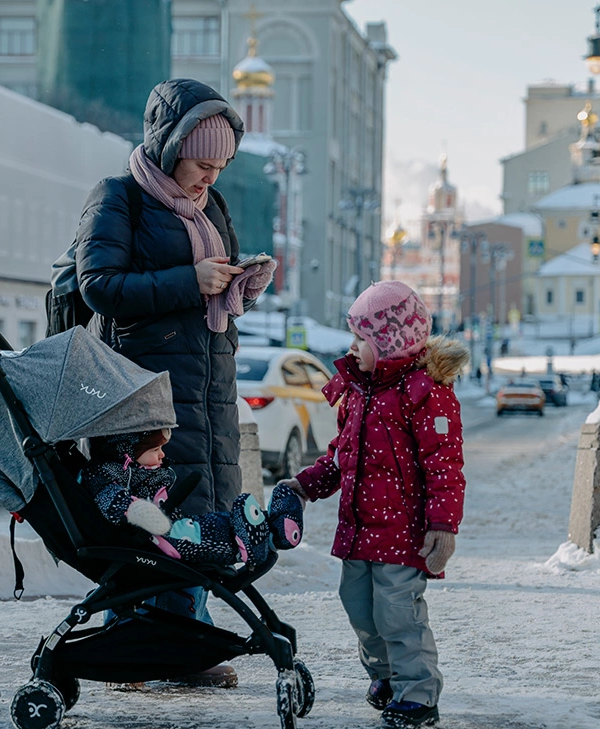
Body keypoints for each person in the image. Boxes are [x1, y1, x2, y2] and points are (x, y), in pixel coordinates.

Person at [75, 78, 267, 689]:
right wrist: (191, 280)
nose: (210, 178)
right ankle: (128, 647)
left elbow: (211, 288)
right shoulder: (118, 198)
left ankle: (186, 647)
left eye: (221, 168)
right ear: (168, 146)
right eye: (202, 163)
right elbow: (98, 286)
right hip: (142, 390)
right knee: (144, 521)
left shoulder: (213, 208)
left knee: (200, 518)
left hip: (209, 383)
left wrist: (240, 284)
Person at [277, 281, 468, 729]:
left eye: (361, 338)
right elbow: (341, 456)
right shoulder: (358, 393)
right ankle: (386, 675)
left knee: (398, 613)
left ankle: (417, 693)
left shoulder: (425, 393)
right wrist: (305, 486)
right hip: (359, 529)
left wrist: (443, 526)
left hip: (404, 534)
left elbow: (445, 466)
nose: (352, 346)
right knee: (359, 606)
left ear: (389, 343)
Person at [81, 429, 303, 566]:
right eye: (155, 449)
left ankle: (272, 527)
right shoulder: (106, 473)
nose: (162, 455)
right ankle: (250, 542)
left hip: (172, 524)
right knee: (204, 538)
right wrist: (138, 511)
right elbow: (110, 499)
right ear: (127, 451)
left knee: (217, 523)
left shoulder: (137, 470)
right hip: (160, 537)